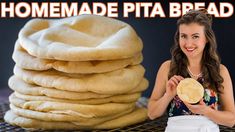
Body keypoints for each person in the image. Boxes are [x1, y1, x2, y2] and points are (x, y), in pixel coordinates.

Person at [147, 9, 235, 131]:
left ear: (207, 39)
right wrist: (168, 95)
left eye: (195, 37)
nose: (189, 43)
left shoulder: (220, 71)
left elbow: (231, 120)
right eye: (184, 36)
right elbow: (152, 114)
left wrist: (205, 111)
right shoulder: (168, 67)